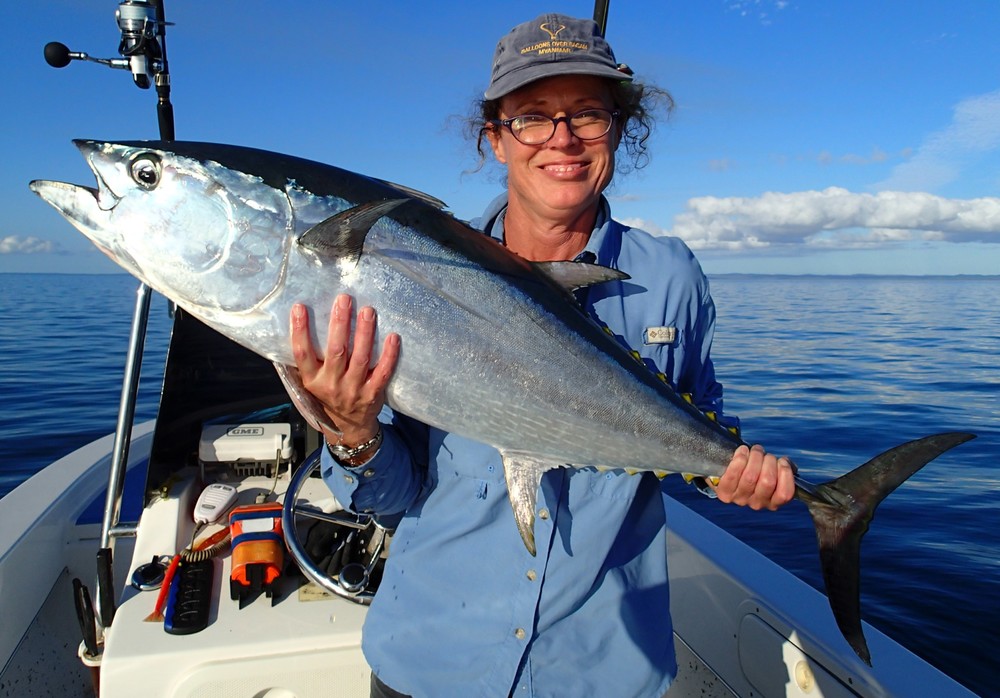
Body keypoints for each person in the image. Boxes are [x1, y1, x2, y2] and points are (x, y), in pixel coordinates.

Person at [289, 13, 795, 698]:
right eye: (532, 117)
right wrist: (351, 434)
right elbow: (390, 500)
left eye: (587, 113)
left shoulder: (669, 277)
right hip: (433, 662)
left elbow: (698, 423)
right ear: (495, 139)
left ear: (618, 129)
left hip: (600, 673)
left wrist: (727, 475)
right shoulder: (414, 269)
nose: (562, 138)